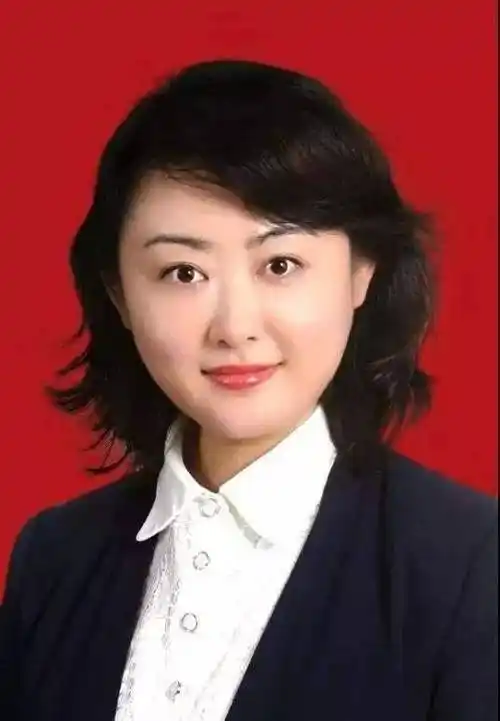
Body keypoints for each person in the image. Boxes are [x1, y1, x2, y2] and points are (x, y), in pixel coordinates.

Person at [0, 59, 497, 721]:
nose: (234, 327)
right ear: (119, 295)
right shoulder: (54, 558)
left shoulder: (470, 565)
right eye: (183, 272)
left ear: (361, 274)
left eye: (280, 265)